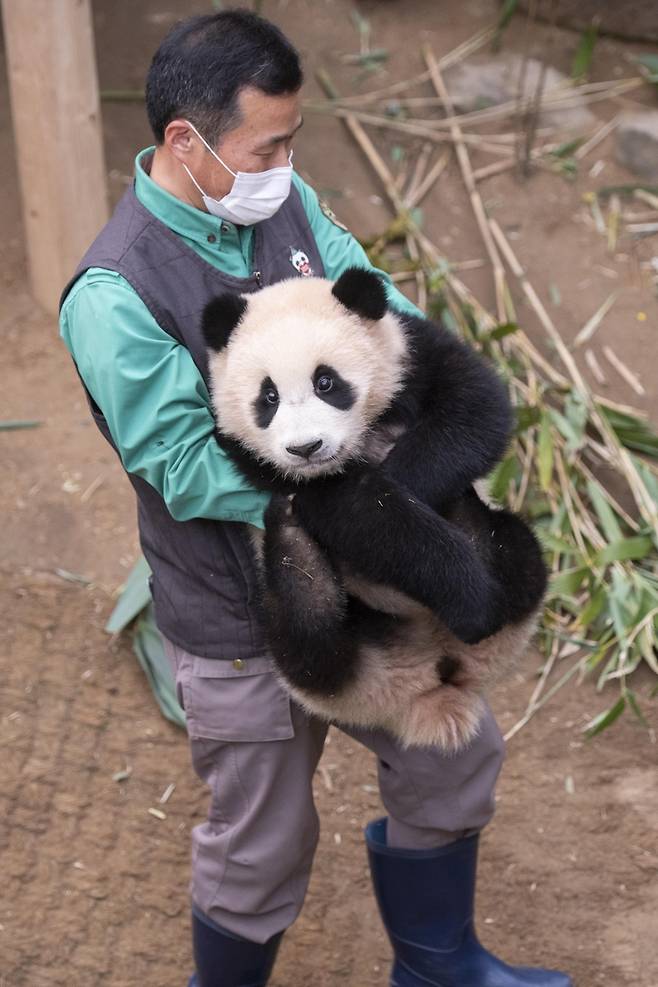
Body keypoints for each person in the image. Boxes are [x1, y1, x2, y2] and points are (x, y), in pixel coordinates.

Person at [59, 10, 572, 987]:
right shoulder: (115, 292)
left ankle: (439, 967)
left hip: (381, 587)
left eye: (291, 142)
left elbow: (389, 322)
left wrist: (412, 453)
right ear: (187, 142)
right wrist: (358, 498)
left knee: (455, 757)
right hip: (240, 615)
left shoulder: (284, 204)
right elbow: (184, 463)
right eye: (268, 147)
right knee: (264, 843)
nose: (285, 166)